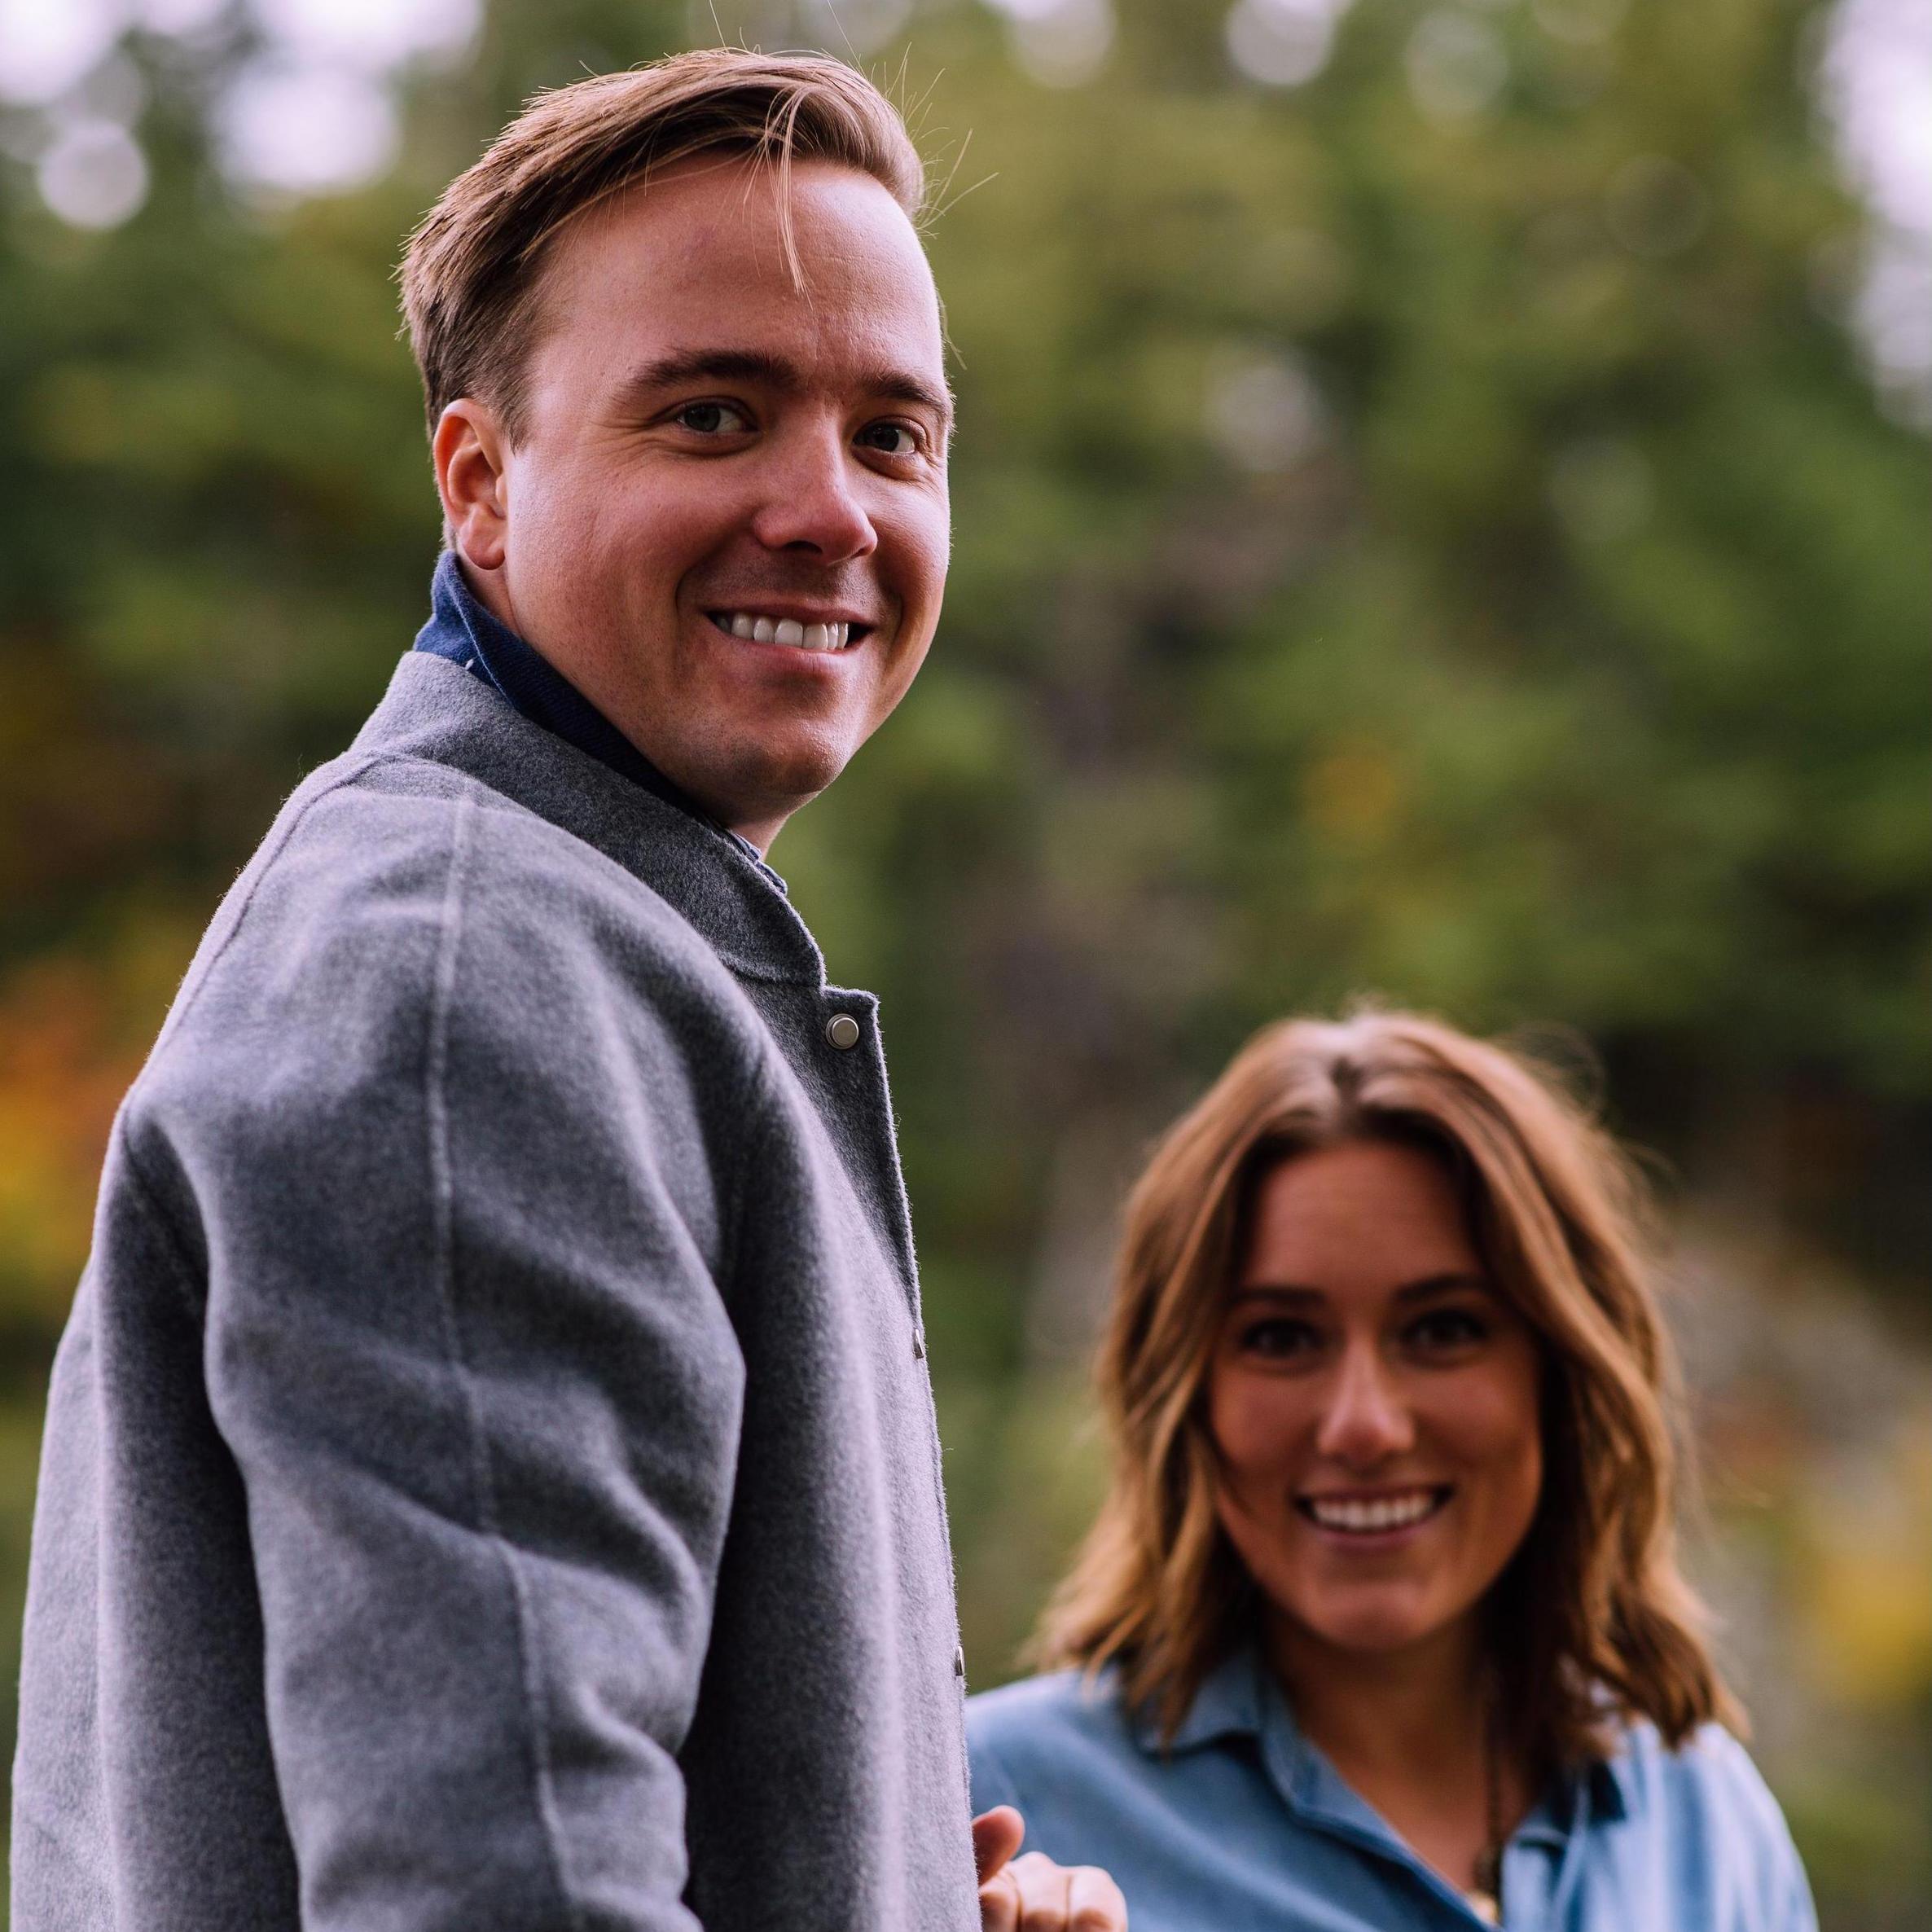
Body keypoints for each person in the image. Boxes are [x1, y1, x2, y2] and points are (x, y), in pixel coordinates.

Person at [12, 51, 1121, 1932]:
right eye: (712, 414)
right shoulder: (466, 993)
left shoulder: (564, 932)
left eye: (892, 435)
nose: (828, 508)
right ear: (480, 483)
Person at [968, 1010, 1818, 1931]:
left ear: (1562, 1374)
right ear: (1184, 1394)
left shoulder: (1703, 1824)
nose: (1364, 1426)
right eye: (1281, 1338)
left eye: (1443, 1329)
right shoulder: (985, 1810)